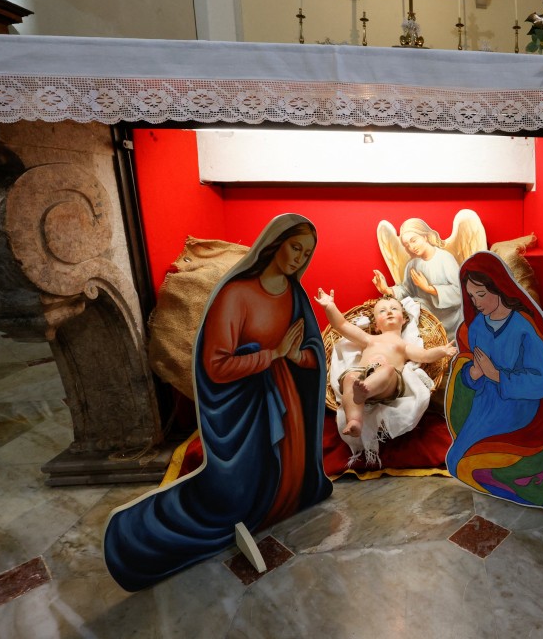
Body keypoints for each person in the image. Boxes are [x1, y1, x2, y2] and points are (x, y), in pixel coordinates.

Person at [103, 214, 333, 592]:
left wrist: (292, 358)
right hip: (244, 407)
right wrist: (273, 354)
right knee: (235, 491)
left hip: (284, 401)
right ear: (275, 242)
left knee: (284, 475)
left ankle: (276, 507)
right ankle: (139, 539)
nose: (298, 259)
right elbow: (216, 365)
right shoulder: (235, 294)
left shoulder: (294, 294)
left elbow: (310, 354)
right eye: (295, 247)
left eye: (306, 253)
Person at [444, 252, 543, 510]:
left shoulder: (523, 327)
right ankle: (514, 478)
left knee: (468, 461)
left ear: (498, 288)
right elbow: (471, 367)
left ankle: (530, 481)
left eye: (481, 294)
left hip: (519, 407)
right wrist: (473, 375)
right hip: (486, 405)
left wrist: (497, 375)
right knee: (457, 462)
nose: (476, 302)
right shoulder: (477, 327)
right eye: (471, 297)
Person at [315, 290, 457, 442]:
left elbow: (425, 355)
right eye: (382, 311)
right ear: (376, 325)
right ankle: (354, 421)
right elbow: (341, 325)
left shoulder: (404, 346)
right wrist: (329, 306)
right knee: (350, 378)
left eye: (394, 309)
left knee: (387, 369)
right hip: (362, 375)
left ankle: (366, 391)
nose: (389, 312)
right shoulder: (369, 339)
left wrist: (442, 351)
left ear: (404, 320)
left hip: (387, 384)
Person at [373, 218, 464, 336]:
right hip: (426, 320)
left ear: (425, 236)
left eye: (414, 240)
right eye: (407, 245)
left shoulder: (445, 258)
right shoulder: (412, 264)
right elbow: (406, 291)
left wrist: (429, 289)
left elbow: (460, 291)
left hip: (451, 320)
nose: (412, 247)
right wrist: (386, 290)